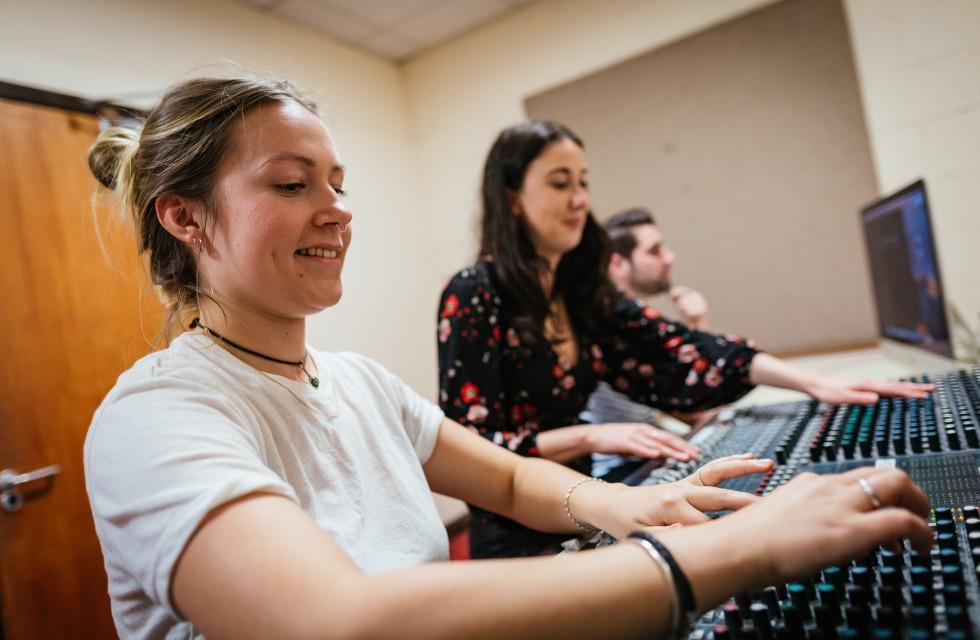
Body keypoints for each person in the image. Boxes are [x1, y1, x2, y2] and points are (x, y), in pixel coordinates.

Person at [84, 78, 933, 640]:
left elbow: (516, 481)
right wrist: (738, 552)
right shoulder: (156, 418)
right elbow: (332, 624)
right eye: (291, 184)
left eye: (337, 182)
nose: (336, 210)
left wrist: (631, 507)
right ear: (185, 219)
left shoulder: (357, 384)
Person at [437, 119, 933, 559]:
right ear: (511, 197)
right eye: (560, 182)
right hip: (517, 537)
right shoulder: (474, 294)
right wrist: (590, 435)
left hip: (580, 504)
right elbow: (476, 450)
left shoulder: (580, 290)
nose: (580, 199)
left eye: (584, 182)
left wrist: (816, 384)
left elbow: (683, 346)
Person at [585, 207, 716, 479]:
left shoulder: (637, 329)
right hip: (620, 475)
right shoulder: (603, 329)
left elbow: (696, 410)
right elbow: (698, 409)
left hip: (648, 464)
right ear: (616, 263)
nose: (669, 257)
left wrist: (698, 328)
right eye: (654, 250)